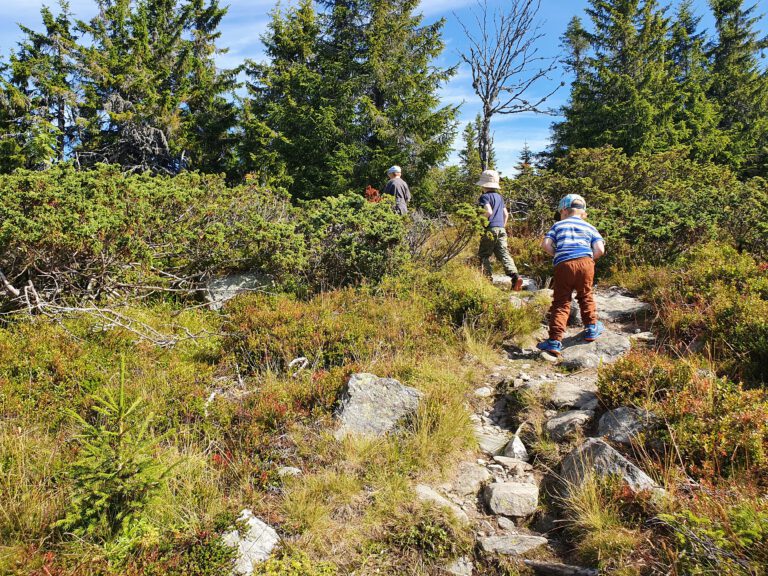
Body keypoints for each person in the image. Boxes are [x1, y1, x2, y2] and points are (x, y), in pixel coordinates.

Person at [536, 193, 606, 356]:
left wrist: (559, 255)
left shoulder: (558, 226)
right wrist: (589, 258)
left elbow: (545, 245)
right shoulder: (590, 227)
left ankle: (554, 341)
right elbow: (600, 250)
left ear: (564, 211)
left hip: (564, 265)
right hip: (586, 264)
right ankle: (591, 328)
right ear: (584, 213)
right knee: (585, 295)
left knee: (561, 302)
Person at [475, 169, 523, 290]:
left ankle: (487, 280)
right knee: (503, 253)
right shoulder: (499, 197)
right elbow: (505, 214)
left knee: (483, 255)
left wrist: (480, 222)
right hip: (501, 229)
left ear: (483, 184)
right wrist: (501, 227)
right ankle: (515, 276)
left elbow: (488, 212)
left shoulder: (484, 197)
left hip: (490, 228)